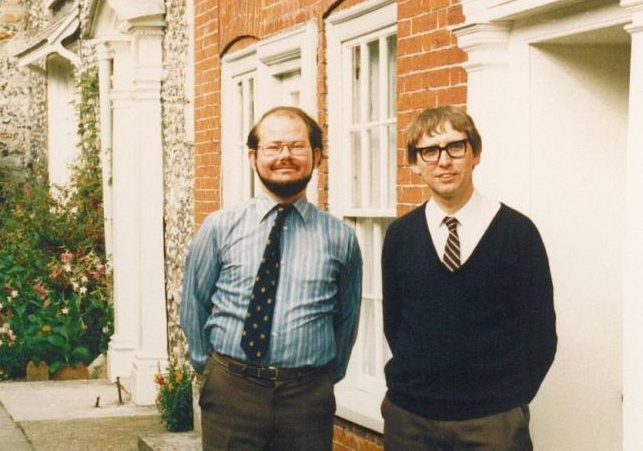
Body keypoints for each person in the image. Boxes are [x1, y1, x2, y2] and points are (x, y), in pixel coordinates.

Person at [181, 106, 363, 450]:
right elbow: (194, 303)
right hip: (232, 391)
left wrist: (323, 378)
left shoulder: (341, 237)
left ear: (316, 156)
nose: (285, 156)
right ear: (253, 157)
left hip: (307, 396)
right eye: (273, 147)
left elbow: (347, 315)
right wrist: (210, 371)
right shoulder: (220, 227)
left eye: (297, 146)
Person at [380, 106, 557, 450]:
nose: (443, 161)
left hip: (493, 422)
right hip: (410, 419)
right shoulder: (400, 236)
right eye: (429, 151)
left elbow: (540, 333)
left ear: (475, 153)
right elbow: (395, 324)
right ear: (415, 164)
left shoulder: (518, 232)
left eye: (455, 147)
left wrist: (507, 399)